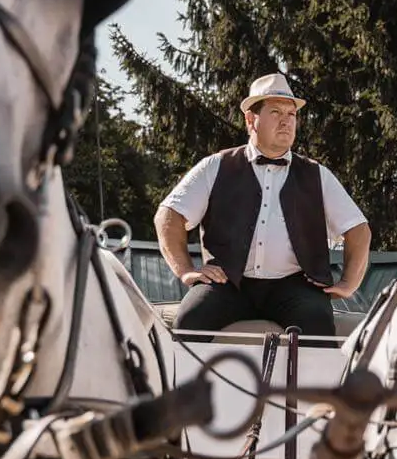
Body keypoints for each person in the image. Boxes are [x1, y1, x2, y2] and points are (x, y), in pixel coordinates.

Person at [154, 74, 371, 340]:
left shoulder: (317, 175)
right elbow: (168, 216)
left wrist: (348, 283)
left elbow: (358, 229)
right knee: (190, 319)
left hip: (295, 286)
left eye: (291, 114)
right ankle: (187, 384)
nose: (286, 121)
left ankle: (312, 385)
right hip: (228, 282)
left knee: (318, 325)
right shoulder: (216, 166)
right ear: (250, 120)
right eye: (276, 112)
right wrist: (187, 270)